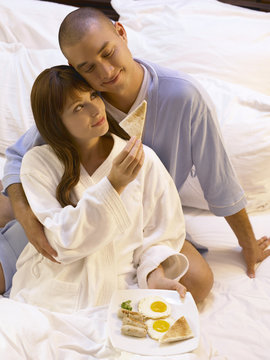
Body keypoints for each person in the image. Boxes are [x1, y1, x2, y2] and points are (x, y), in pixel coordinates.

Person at [1, 8, 269, 299]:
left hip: (142, 220)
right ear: (74, 67)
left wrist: (248, 242)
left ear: (121, 33)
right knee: (19, 219)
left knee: (198, 282)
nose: (105, 72)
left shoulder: (183, 97)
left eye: (108, 53)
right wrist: (27, 219)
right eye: (87, 67)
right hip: (76, 216)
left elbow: (219, 181)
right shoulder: (80, 95)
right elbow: (18, 158)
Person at [9, 65, 190, 310]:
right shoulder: (38, 163)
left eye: (93, 95)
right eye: (79, 107)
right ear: (56, 123)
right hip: (53, 294)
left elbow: (159, 234)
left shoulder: (142, 159)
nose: (96, 110)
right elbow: (60, 242)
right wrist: (113, 186)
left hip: (119, 294)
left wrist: (154, 275)